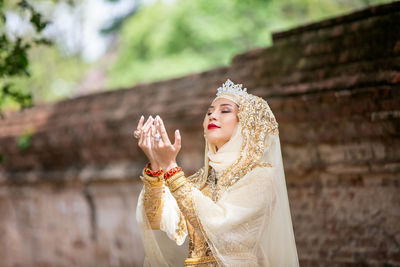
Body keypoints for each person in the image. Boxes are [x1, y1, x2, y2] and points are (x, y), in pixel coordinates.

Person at [133, 79, 299, 267]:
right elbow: (157, 221)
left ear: (245, 123)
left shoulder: (260, 176)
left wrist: (170, 167)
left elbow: (219, 225)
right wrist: (157, 165)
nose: (212, 116)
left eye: (225, 110)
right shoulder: (199, 181)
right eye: (209, 112)